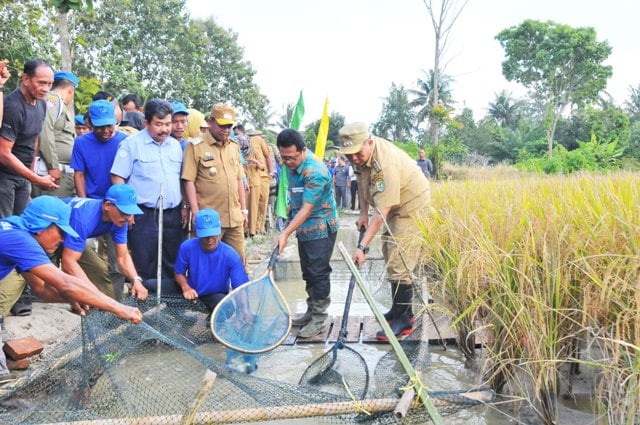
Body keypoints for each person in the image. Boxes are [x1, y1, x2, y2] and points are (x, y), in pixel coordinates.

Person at [0, 196, 143, 381]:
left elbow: (41, 289)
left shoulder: (14, 228)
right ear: (45, 225)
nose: (63, 239)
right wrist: (119, 308)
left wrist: (73, 298)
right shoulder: (20, 240)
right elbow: (66, 282)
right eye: (61, 232)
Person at [339, 122, 430, 340]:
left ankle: (405, 321)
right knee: (390, 252)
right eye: (349, 156)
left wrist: (362, 247)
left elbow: (380, 213)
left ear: (369, 143)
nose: (354, 159)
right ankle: (399, 311)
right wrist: (362, 213)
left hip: (412, 204)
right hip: (393, 204)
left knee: (400, 258)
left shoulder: (385, 165)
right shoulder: (359, 158)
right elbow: (362, 185)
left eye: (357, 154)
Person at [111, 99, 187, 280]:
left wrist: (184, 206)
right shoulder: (131, 144)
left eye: (168, 124)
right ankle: (144, 301)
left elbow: (181, 180)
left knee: (173, 260)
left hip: (172, 214)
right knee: (144, 260)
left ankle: (170, 304)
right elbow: (118, 177)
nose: (165, 129)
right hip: (143, 214)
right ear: (146, 123)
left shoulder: (175, 146)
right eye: (159, 124)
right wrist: (125, 211)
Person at [276, 129, 338, 338]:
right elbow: (294, 200)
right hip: (304, 228)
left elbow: (306, 208)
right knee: (308, 271)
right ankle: (311, 312)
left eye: (291, 158)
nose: (287, 163)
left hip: (320, 227)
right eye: (283, 158)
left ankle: (319, 318)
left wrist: (284, 233)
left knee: (318, 272)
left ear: (303, 151)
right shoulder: (292, 166)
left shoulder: (315, 171)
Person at [145, 209, 249, 313]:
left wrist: (245, 310)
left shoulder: (230, 255)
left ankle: (210, 323)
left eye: (212, 235)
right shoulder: (187, 247)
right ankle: (177, 314)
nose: (209, 240)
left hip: (214, 294)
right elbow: (178, 273)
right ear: (197, 232)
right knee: (150, 285)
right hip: (190, 289)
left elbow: (240, 288)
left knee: (226, 308)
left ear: (218, 231)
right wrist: (186, 287)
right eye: (205, 236)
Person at [182, 104, 248, 265]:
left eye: (229, 126)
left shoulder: (233, 146)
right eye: (222, 125)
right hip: (209, 220)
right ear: (210, 121)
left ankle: (240, 291)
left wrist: (244, 210)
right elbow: (188, 180)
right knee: (208, 264)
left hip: (234, 217)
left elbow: (239, 179)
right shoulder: (195, 146)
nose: (226, 130)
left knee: (239, 263)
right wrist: (195, 213)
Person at [61, 184, 148, 300]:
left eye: (130, 212)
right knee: (45, 280)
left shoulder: (121, 221)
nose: (128, 217)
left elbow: (123, 257)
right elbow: (69, 262)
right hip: (46, 231)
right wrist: (92, 292)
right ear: (107, 205)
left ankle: (107, 313)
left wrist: (136, 280)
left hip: (72, 238)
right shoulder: (85, 219)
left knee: (99, 269)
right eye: (124, 212)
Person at [0, 59, 58, 219]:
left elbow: (35, 140)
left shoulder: (41, 105)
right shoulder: (13, 106)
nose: (46, 89)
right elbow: (4, 153)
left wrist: (30, 176)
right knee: (5, 227)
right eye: (41, 83)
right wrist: (36, 178)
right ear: (26, 79)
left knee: (23, 225)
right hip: (4, 177)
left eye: (50, 84)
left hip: (24, 177)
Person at [33, 71, 79, 199]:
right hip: (52, 170)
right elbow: (44, 130)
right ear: (71, 90)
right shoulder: (53, 99)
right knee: (50, 214)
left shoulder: (60, 105)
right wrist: (52, 166)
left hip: (62, 171)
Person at [237, 125, 274, 236]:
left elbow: (266, 159)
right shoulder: (236, 148)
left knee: (259, 205)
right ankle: (247, 230)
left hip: (258, 179)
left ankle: (256, 230)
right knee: (246, 206)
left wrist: (271, 172)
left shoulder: (258, 143)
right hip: (245, 181)